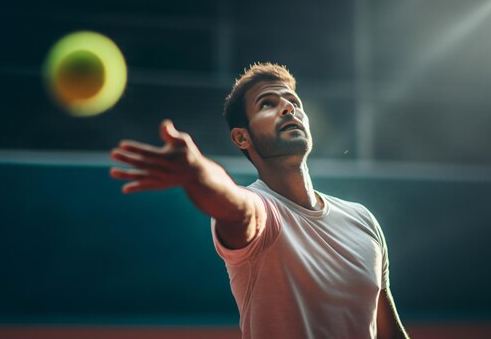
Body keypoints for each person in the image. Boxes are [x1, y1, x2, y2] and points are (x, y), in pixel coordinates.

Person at [109, 62, 409, 339]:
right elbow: (237, 209)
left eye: (294, 102)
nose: (288, 109)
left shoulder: (362, 219)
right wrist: (197, 172)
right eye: (268, 104)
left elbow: (390, 333)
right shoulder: (262, 211)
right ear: (242, 138)